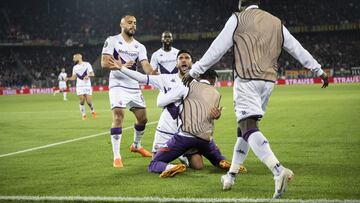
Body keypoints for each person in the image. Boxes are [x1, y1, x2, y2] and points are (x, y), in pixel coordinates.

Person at [182, 0, 329, 198]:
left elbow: (216, 49)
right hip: (268, 82)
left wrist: (195, 71)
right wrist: (318, 69)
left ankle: (278, 170)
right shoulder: (276, 22)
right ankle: (231, 175)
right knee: (243, 129)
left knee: (248, 125)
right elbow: (296, 48)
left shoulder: (238, 18)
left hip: (247, 79)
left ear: (241, 3)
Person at [115, 50, 247, 173]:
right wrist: (121, 68)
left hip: (188, 132)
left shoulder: (198, 83)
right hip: (167, 128)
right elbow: (142, 78)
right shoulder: (165, 78)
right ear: (176, 63)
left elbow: (205, 108)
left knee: (198, 166)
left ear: (192, 63)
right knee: (156, 159)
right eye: (181, 58)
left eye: (187, 58)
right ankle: (197, 158)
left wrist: (215, 115)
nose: (184, 60)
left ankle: (182, 157)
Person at [101, 14, 156, 168]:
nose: (133, 25)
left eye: (135, 23)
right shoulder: (112, 40)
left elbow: (145, 65)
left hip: (133, 85)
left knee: (143, 119)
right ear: (122, 24)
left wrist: (152, 73)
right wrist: (123, 65)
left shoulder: (140, 46)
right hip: (117, 84)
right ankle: (117, 156)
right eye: (130, 23)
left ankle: (136, 145)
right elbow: (104, 63)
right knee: (119, 115)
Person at [67, 54, 96, 120]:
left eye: (74, 58)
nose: (73, 59)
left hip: (87, 85)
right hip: (79, 86)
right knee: (82, 100)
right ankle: (84, 115)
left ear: (79, 57)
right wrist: (68, 78)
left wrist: (88, 76)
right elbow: (73, 77)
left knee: (88, 101)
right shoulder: (75, 67)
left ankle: (93, 111)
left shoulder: (87, 64)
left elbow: (92, 74)